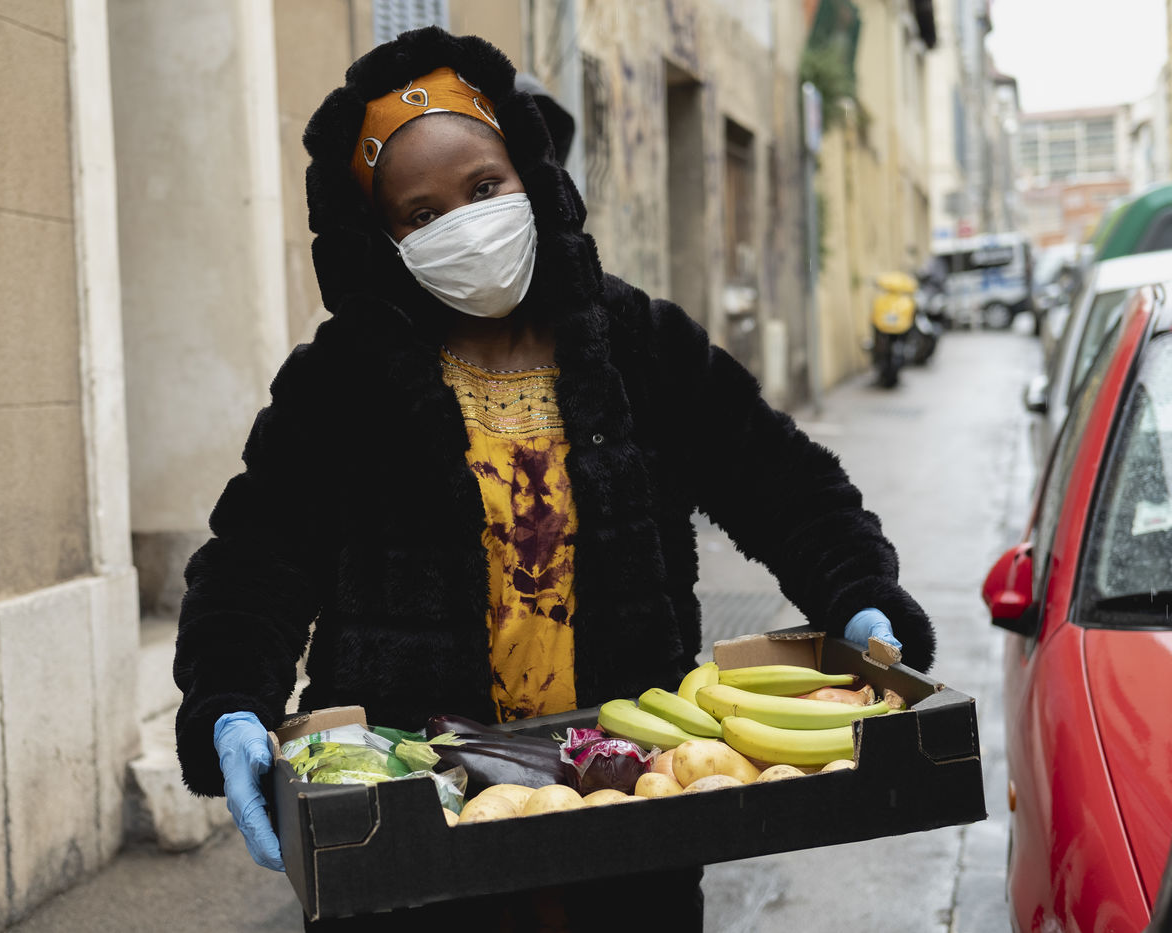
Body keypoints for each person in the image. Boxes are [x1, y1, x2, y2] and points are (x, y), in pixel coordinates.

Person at [174, 26, 934, 929]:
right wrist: (230, 702)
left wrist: (859, 594)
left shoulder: (641, 346)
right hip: (417, 824)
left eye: (483, 188)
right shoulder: (341, 384)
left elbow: (784, 483)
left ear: (530, 177)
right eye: (421, 214)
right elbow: (254, 564)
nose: (463, 224)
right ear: (381, 237)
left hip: (632, 800)